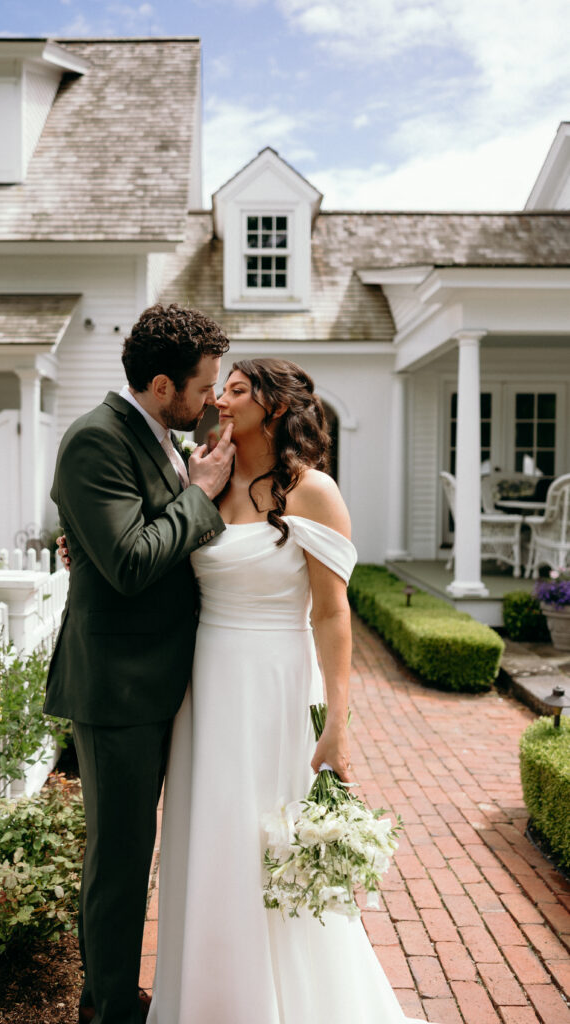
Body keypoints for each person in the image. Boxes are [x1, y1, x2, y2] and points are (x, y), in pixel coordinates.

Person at [145, 358, 440, 1024]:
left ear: (276, 406)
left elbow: (332, 614)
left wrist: (338, 722)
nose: (221, 399)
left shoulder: (313, 492)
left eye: (239, 390)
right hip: (205, 685)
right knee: (209, 833)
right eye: (221, 388)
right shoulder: (204, 476)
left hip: (276, 682)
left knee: (268, 839)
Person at [44, 303, 236, 1024]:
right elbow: (128, 562)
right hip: (118, 687)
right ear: (163, 385)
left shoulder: (155, 435)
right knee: (120, 863)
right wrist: (199, 496)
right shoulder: (96, 438)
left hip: (159, 679)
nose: (213, 397)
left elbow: (125, 537)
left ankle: (115, 994)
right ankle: (107, 1011)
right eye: (205, 384)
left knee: (138, 856)